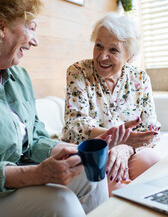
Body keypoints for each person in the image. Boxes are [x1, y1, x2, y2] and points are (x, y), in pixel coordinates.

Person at [0, 0, 133, 217]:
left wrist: (72, 151)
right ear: (0, 26)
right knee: (62, 203)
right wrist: (38, 174)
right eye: (30, 28)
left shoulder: (18, 75)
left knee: (91, 174)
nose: (35, 41)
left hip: (15, 171)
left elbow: (34, 136)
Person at [62, 13, 162, 195]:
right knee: (112, 178)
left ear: (129, 57)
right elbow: (75, 126)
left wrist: (126, 146)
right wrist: (117, 140)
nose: (102, 56)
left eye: (113, 50)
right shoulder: (78, 72)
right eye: (98, 46)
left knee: (153, 162)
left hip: (129, 151)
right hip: (94, 152)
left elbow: (150, 130)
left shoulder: (139, 78)